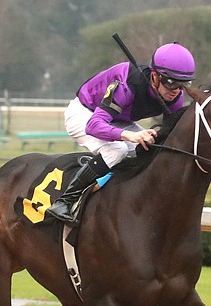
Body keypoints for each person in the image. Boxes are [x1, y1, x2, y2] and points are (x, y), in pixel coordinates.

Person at [45, 42, 196, 223]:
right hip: (85, 114)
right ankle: (65, 201)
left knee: (153, 148)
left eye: (182, 84)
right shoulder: (126, 85)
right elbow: (94, 126)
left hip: (118, 120)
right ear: (154, 76)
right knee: (117, 150)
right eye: (170, 83)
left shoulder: (175, 96)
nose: (176, 91)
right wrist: (129, 136)